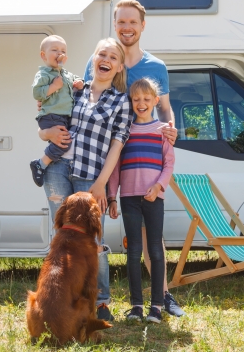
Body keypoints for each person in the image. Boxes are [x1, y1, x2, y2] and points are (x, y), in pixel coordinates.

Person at [84, 0, 185, 317]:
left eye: (132, 22)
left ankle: (162, 296)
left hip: (141, 158)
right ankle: (97, 302)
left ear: (142, 25)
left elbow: (165, 108)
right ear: (115, 25)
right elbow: (87, 96)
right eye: (121, 22)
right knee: (93, 231)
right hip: (102, 158)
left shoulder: (156, 67)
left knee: (150, 238)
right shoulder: (102, 59)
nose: (126, 27)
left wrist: (171, 129)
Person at [40, 37, 132, 322]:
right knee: (62, 236)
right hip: (57, 168)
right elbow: (45, 118)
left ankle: (100, 302)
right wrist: (46, 134)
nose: (106, 60)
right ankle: (63, 297)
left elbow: (117, 144)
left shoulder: (121, 101)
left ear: (119, 67)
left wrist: (102, 183)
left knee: (93, 240)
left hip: (91, 175)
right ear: (94, 59)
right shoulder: (74, 89)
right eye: (102, 54)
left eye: (113, 57)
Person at [107, 78, 175, 323]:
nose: (141, 103)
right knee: (133, 250)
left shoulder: (163, 130)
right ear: (131, 101)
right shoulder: (124, 132)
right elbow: (115, 167)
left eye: (146, 99)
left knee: (155, 250)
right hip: (129, 198)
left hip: (154, 197)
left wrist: (158, 187)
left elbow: (169, 163)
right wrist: (111, 197)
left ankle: (156, 306)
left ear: (155, 101)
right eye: (136, 99)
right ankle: (136, 305)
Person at [29, 35, 84, 187]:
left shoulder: (66, 74)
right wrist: (53, 87)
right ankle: (40, 164)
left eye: (63, 51)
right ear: (43, 55)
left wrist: (79, 83)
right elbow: (36, 93)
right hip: (50, 115)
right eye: (54, 50)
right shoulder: (44, 74)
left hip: (62, 117)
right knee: (64, 143)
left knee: (63, 141)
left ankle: (46, 163)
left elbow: (77, 80)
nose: (60, 53)